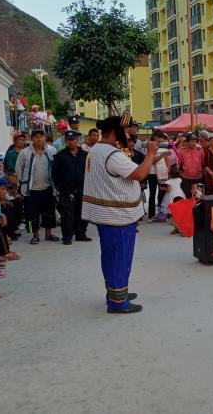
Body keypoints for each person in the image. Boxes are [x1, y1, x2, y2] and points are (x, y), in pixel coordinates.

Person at [81, 114, 159, 314]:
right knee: (119, 258)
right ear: (115, 132)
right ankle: (117, 302)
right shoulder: (111, 154)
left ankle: (117, 293)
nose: (129, 134)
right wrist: (151, 153)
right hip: (116, 217)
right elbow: (140, 174)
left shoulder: (97, 149)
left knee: (112, 256)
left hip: (109, 215)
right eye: (126, 131)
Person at [15, 129, 59, 245]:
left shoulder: (51, 150)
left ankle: (48, 234)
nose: (39, 139)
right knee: (31, 214)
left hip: (48, 187)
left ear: (45, 138)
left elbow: (56, 167)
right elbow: (19, 169)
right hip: (31, 189)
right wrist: (24, 182)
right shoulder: (25, 152)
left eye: (41, 136)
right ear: (31, 138)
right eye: (36, 136)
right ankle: (35, 235)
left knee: (49, 212)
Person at [51, 130, 89, 245]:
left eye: (73, 140)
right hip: (66, 190)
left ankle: (80, 234)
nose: (71, 142)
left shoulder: (85, 155)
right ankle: (67, 236)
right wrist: (60, 187)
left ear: (78, 141)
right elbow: (54, 173)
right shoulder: (60, 156)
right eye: (68, 140)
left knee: (82, 213)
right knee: (67, 215)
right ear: (65, 141)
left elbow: (90, 171)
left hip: (83, 189)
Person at [178, 133, 205, 198]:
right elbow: (179, 164)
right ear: (187, 142)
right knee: (187, 197)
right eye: (191, 141)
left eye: (195, 141)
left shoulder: (200, 150)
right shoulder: (182, 151)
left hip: (198, 178)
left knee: (198, 197)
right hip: (185, 178)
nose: (194, 143)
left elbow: (203, 163)